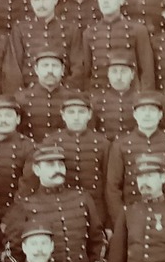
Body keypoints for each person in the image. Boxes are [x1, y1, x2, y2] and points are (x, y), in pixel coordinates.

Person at [3, 144, 109, 262]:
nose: (57, 170)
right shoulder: (25, 205)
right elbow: (12, 252)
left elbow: (98, 241)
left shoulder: (82, 198)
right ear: (36, 169)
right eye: (50, 165)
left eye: (60, 165)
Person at [39, 94, 112, 228]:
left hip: (96, 210)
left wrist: (108, 223)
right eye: (71, 112)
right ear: (63, 115)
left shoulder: (102, 143)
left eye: (81, 112)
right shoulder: (51, 141)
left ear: (89, 114)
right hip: (60, 209)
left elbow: (109, 183)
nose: (76, 117)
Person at [104, 92, 165, 222]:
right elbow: (113, 188)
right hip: (132, 213)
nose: (147, 114)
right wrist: (121, 220)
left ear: (160, 115)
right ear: (135, 115)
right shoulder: (120, 145)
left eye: (152, 110)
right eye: (142, 110)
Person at [73, 0, 154, 91]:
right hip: (98, 95)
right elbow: (87, 73)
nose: (105, 0)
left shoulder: (138, 30)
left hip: (130, 96)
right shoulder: (89, 33)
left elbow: (147, 71)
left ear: (122, 0)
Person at [9, 0, 80, 85]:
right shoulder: (20, 29)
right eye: (36, 0)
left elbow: (78, 65)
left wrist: (67, 89)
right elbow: (14, 67)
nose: (41, 5)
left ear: (55, 0)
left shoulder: (71, 28)